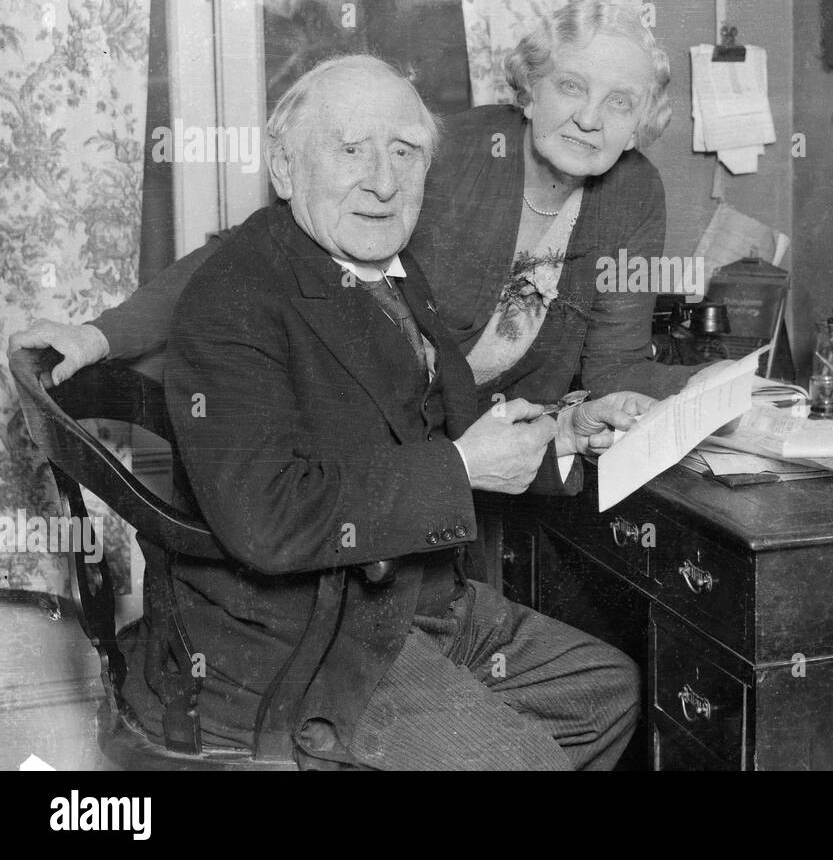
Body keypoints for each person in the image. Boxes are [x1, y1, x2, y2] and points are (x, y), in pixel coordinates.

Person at [115, 55, 648, 770]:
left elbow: (449, 421)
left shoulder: (383, 266)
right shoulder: (235, 297)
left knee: (607, 690)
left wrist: (561, 435)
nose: (384, 179)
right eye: (350, 149)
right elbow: (267, 517)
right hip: (302, 639)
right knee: (523, 762)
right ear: (282, 166)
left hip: (409, 600)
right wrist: (462, 465)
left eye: (405, 151)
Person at [11, 0, 705, 407]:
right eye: (572, 88)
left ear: (643, 123)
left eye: (620, 104)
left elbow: (616, 367)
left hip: (513, 459)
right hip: (383, 432)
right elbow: (256, 254)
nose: (590, 120)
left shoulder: (634, 191)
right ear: (532, 87)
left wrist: (731, 396)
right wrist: (99, 334)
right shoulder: (448, 148)